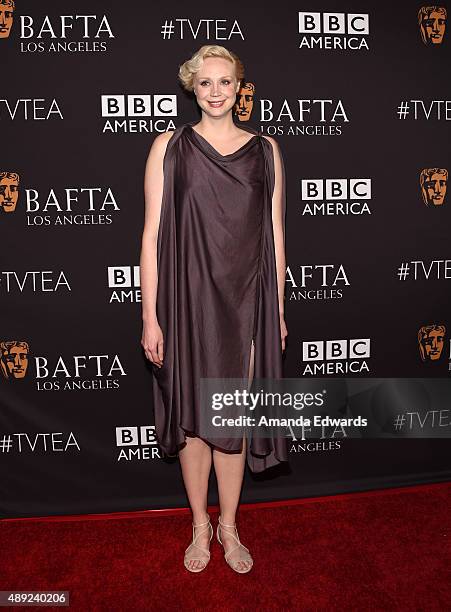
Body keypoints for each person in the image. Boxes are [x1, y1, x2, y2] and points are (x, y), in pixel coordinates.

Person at [140, 45, 288, 574]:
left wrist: (278, 311)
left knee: (231, 418)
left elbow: (275, 237)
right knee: (194, 423)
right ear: (192, 88)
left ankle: (229, 526)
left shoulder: (266, 150)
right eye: (207, 83)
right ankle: (199, 525)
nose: (218, 91)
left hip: (247, 304)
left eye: (227, 81)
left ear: (239, 86)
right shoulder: (169, 148)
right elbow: (152, 235)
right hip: (185, 303)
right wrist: (149, 316)